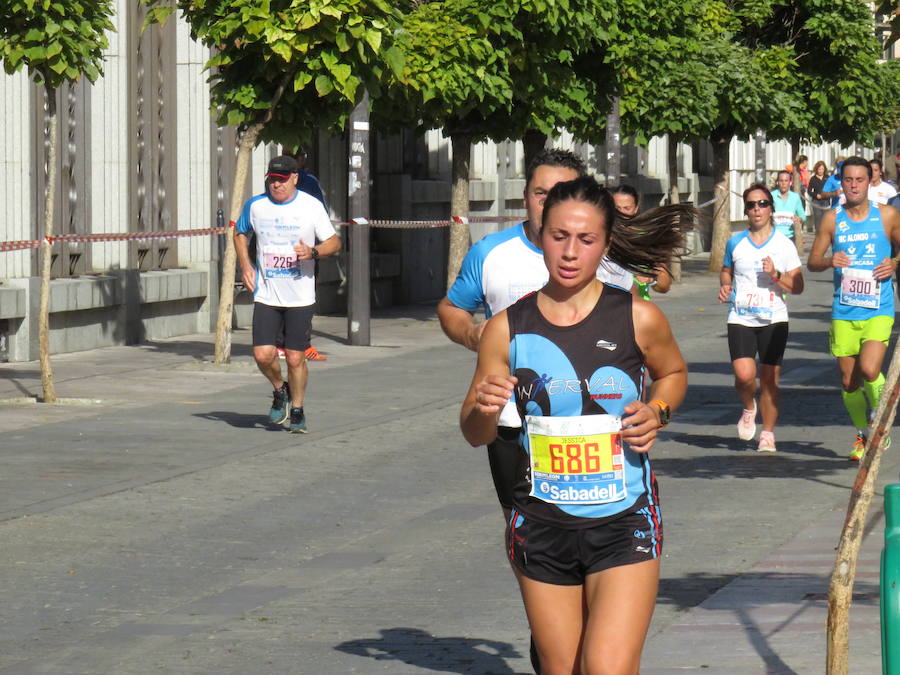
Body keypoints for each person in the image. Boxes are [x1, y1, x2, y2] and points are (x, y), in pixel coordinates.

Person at [460, 175, 688, 674]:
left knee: (606, 668)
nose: (569, 252)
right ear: (540, 234)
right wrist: (483, 406)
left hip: (624, 520)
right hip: (540, 523)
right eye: (559, 236)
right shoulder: (506, 328)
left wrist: (658, 411)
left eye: (586, 240)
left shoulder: (638, 317)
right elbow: (475, 434)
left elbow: (672, 373)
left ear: (605, 244)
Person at [438, 149, 632, 522]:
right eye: (540, 192)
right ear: (525, 195)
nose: (548, 201)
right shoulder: (491, 253)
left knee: (600, 521)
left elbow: (636, 326)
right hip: (514, 418)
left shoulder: (604, 254)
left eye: (559, 191)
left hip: (593, 418)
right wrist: (471, 334)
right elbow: (451, 308)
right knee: (522, 523)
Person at [235, 155, 341, 433]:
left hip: (300, 296)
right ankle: (279, 389)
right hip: (267, 294)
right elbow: (239, 231)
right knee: (262, 354)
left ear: (295, 178)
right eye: (272, 180)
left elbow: (334, 242)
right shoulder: (256, 206)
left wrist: (313, 252)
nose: (276, 186)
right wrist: (246, 265)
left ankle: (298, 408)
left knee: (295, 357)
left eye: (282, 181)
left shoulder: (311, 206)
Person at [807, 156, 900, 460]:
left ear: (869, 181)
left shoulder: (886, 216)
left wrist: (894, 262)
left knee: (871, 369)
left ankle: (880, 424)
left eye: (860, 179)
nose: (854, 185)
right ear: (841, 182)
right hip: (845, 310)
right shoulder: (833, 220)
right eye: (848, 180)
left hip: (878, 307)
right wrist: (829, 260)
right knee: (849, 382)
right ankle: (863, 432)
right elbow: (813, 261)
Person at [718, 184, 804, 452]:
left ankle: (767, 433)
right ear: (746, 210)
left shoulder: (783, 244)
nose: (757, 209)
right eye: (752, 204)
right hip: (741, 316)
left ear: (771, 209)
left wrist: (777, 274)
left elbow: (798, 286)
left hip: (774, 318)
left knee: (769, 379)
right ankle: (748, 406)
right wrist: (725, 285)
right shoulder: (735, 241)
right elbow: (725, 270)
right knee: (744, 375)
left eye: (763, 204)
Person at [611, 184, 672, 299]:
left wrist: (652, 279)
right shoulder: (600, 236)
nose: (621, 213)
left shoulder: (646, 238)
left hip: (637, 309)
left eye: (626, 208)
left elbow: (664, 285)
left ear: (636, 209)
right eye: (617, 208)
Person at [771, 170, 806, 243]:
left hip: (790, 236)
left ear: (790, 182)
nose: (783, 183)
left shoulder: (795, 197)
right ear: (777, 182)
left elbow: (803, 216)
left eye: (786, 181)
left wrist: (799, 219)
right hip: (773, 236)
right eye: (781, 181)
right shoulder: (771, 196)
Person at [807, 160, 831, 233]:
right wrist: (816, 195)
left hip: (825, 201)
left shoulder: (827, 178)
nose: (821, 171)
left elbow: (831, 188)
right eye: (819, 169)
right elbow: (809, 191)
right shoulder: (813, 179)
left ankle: (825, 233)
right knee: (817, 217)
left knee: (825, 217)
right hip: (816, 201)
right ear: (816, 169)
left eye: (822, 169)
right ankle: (818, 233)